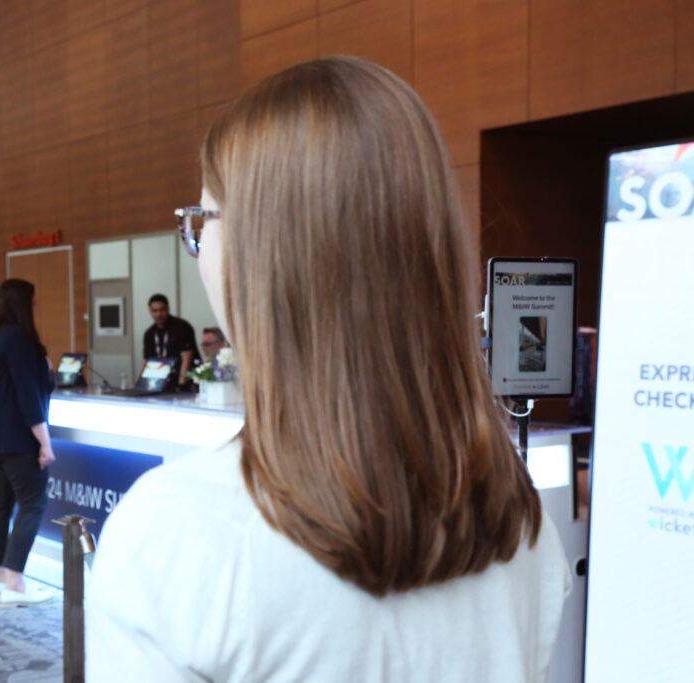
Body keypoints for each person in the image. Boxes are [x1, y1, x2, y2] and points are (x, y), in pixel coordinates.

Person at [87, 57, 570, 680]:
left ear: (265, 252)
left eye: (202, 221)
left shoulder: (178, 534)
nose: (199, 246)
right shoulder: (523, 523)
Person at [0, 278, 56, 607]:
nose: (35, 307)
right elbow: (28, 397)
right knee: (32, 505)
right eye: (32, 301)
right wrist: (45, 443)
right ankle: (15, 584)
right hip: (17, 440)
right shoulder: (20, 340)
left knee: (0, 507)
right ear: (24, 304)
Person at [141, 294, 200, 389]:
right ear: (150, 311)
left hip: (184, 380)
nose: (158, 314)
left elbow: (187, 357)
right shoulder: (149, 333)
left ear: (168, 309)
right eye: (154, 311)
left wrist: (182, 384)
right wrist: (140, 384)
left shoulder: (182, 327)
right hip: (161, 381)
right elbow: (147, 361)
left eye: (162, 310)